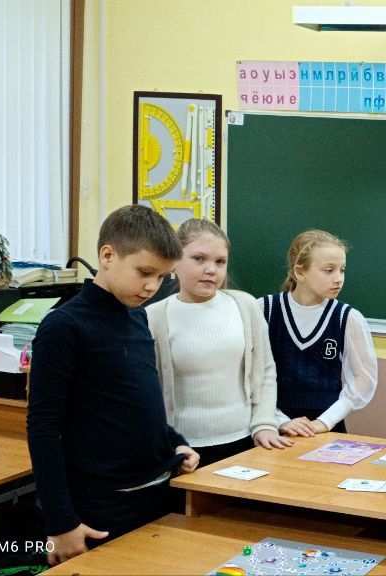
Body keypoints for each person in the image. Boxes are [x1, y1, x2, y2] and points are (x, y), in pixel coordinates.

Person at [26, 205, 200, 565]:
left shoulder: (137, 317)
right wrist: (61, 522)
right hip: (101, 508)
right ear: (107, 256)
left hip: (156, 493)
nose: (152, 286)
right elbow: (43, 428)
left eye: (162, 277)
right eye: (144, 272)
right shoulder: (64, 326)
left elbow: (136, 403)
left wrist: (175, 443)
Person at [147, 219, 292, 468]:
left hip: (245, 441)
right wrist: (170, 445)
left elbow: (266, 370)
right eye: (199, 259)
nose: (211, 269)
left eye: (220, 262)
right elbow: (150, 391)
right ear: (174, 261)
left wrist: (265, 424)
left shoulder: (245, 306)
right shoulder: (153, 316)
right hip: (185, 449)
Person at [260, 230, 377, 437]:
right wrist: (279, 420)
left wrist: (325, 421)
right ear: (300, 272)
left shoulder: (347, 317)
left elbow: (364, 380)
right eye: (328, 270)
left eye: (342, 270)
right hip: (272, 428)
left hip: (325, 429)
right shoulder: (264, 310)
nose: (338, 279)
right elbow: (248, 376)